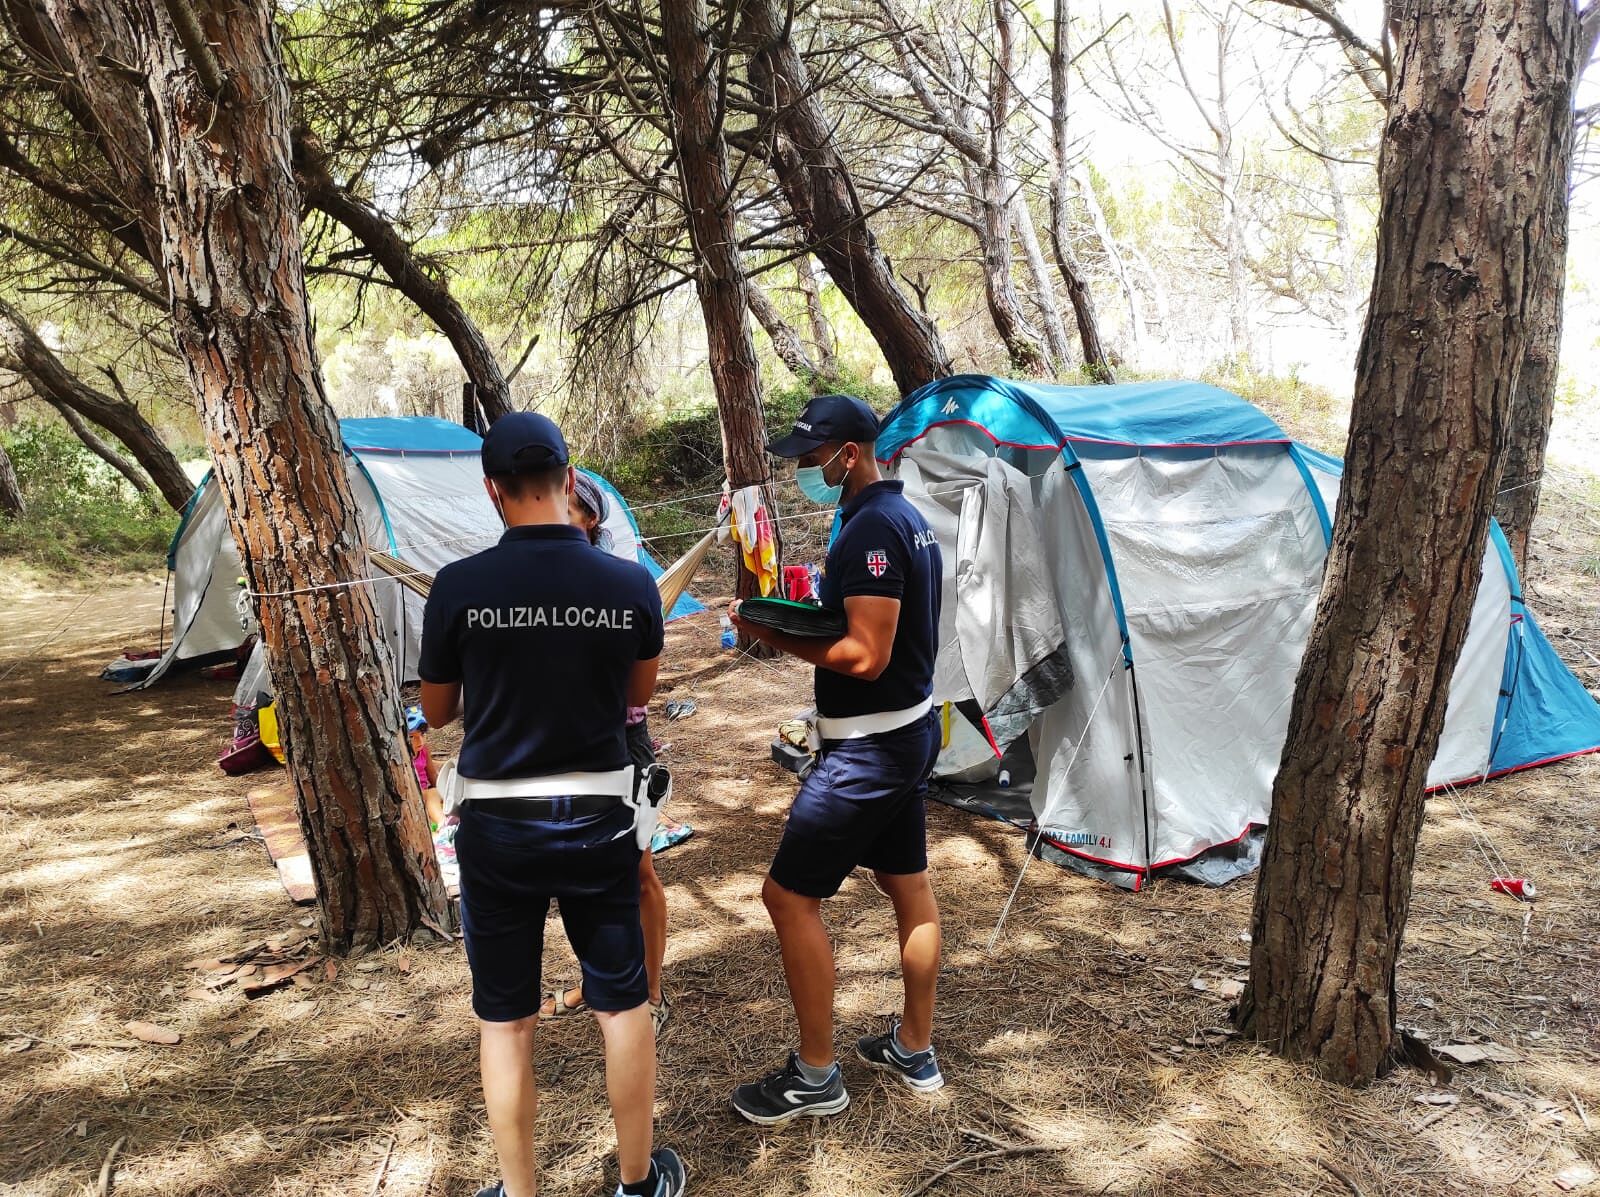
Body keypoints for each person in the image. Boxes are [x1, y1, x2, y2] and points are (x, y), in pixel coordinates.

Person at [419, 412, 685, 1197]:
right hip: (600, 818)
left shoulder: (457, 586)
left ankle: (519, 1190)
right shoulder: (629, 583)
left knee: (505, 1020)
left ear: (492, 490)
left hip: (498, 825)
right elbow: (638, 693)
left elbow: (436, 711)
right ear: (571, 480)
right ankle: (637, 1181)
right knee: (622, 1003)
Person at [727, 393, 946, 1125]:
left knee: (787, 897)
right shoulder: (897, 516)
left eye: (813, 456)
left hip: (870, 748)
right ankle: (914, 1046)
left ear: (850, 454)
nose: (805, 470)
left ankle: (816, 1075)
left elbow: (866, 653)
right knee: (905, 882)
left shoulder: (876, 526)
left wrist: (767, 630)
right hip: (905, 731)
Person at [541, 472, 669, 1032]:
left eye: (565, 507)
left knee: (637, 871)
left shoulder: (622, 583)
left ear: (591, 520)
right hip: (563, 744)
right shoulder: (533, 584)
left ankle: (652, 993)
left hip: (621, 742)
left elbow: (639, 691)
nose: (551, 514)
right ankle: (598, 981)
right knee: (581, 874)